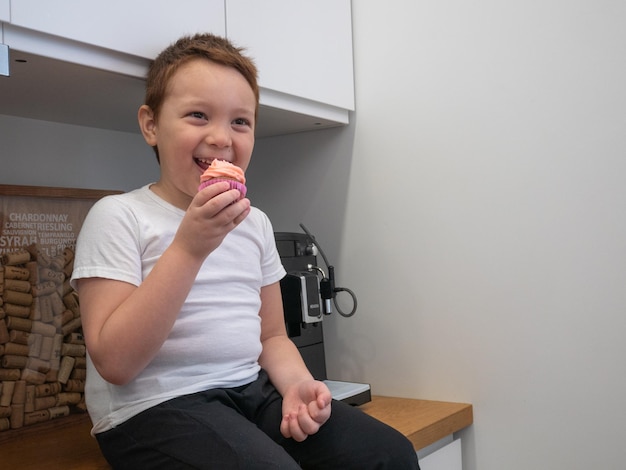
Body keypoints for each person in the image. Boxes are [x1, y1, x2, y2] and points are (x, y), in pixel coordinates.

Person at [71, 33, 419, 469]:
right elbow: (115, 362)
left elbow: (271, 335)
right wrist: (189, 248)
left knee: (388, 454)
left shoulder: (254, 222)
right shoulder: (118, 216)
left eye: (241, 122)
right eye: (198, 115)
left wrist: (296, 384)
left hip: (250, 392)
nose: (221, 137)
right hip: (153, 408)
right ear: (151, 125)